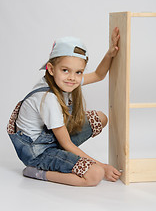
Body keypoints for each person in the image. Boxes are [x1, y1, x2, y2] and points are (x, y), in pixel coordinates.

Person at [7, 27, 121, 187]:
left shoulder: (65, 79)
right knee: (95, 174)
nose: (72, 78)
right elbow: (66, 143)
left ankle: (65, 158)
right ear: (51, 69)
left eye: (78, 72)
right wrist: (103, 166)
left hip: (52, 138)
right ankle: (38, 172)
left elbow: (98, 75)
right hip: (38, 151)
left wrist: (110, 53)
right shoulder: (49, 99)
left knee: (100, 118)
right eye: (66, 70)